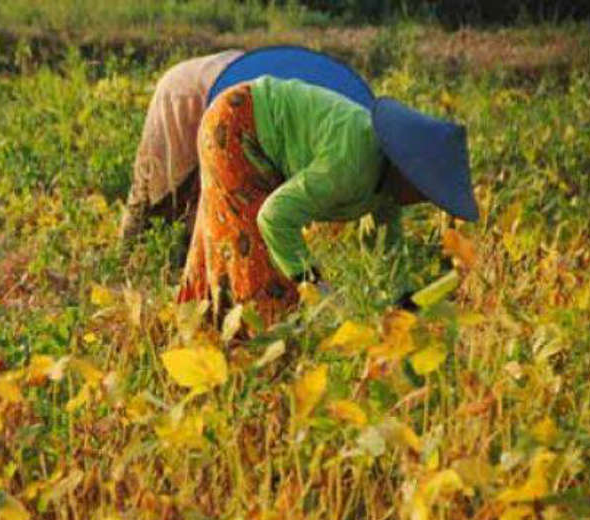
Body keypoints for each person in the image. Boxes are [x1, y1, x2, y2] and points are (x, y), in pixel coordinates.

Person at [179, 77, 479, 325]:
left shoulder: (387, 186)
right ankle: (252, 359)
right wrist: (312, 282)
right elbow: (274, 217)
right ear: (407, 171)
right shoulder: (351, 163)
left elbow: (386, 247)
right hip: (236, 122)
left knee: (224, 241)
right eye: (423, 190)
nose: (420, 200)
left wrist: (404, 304)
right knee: (255, 260)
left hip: (249, 122)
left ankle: (194, 326)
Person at [121, 50, 243, 251]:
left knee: (206, 192)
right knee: (153, 182)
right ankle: (125, 257)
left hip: (212, 91)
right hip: (181, 95)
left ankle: (184, 258)